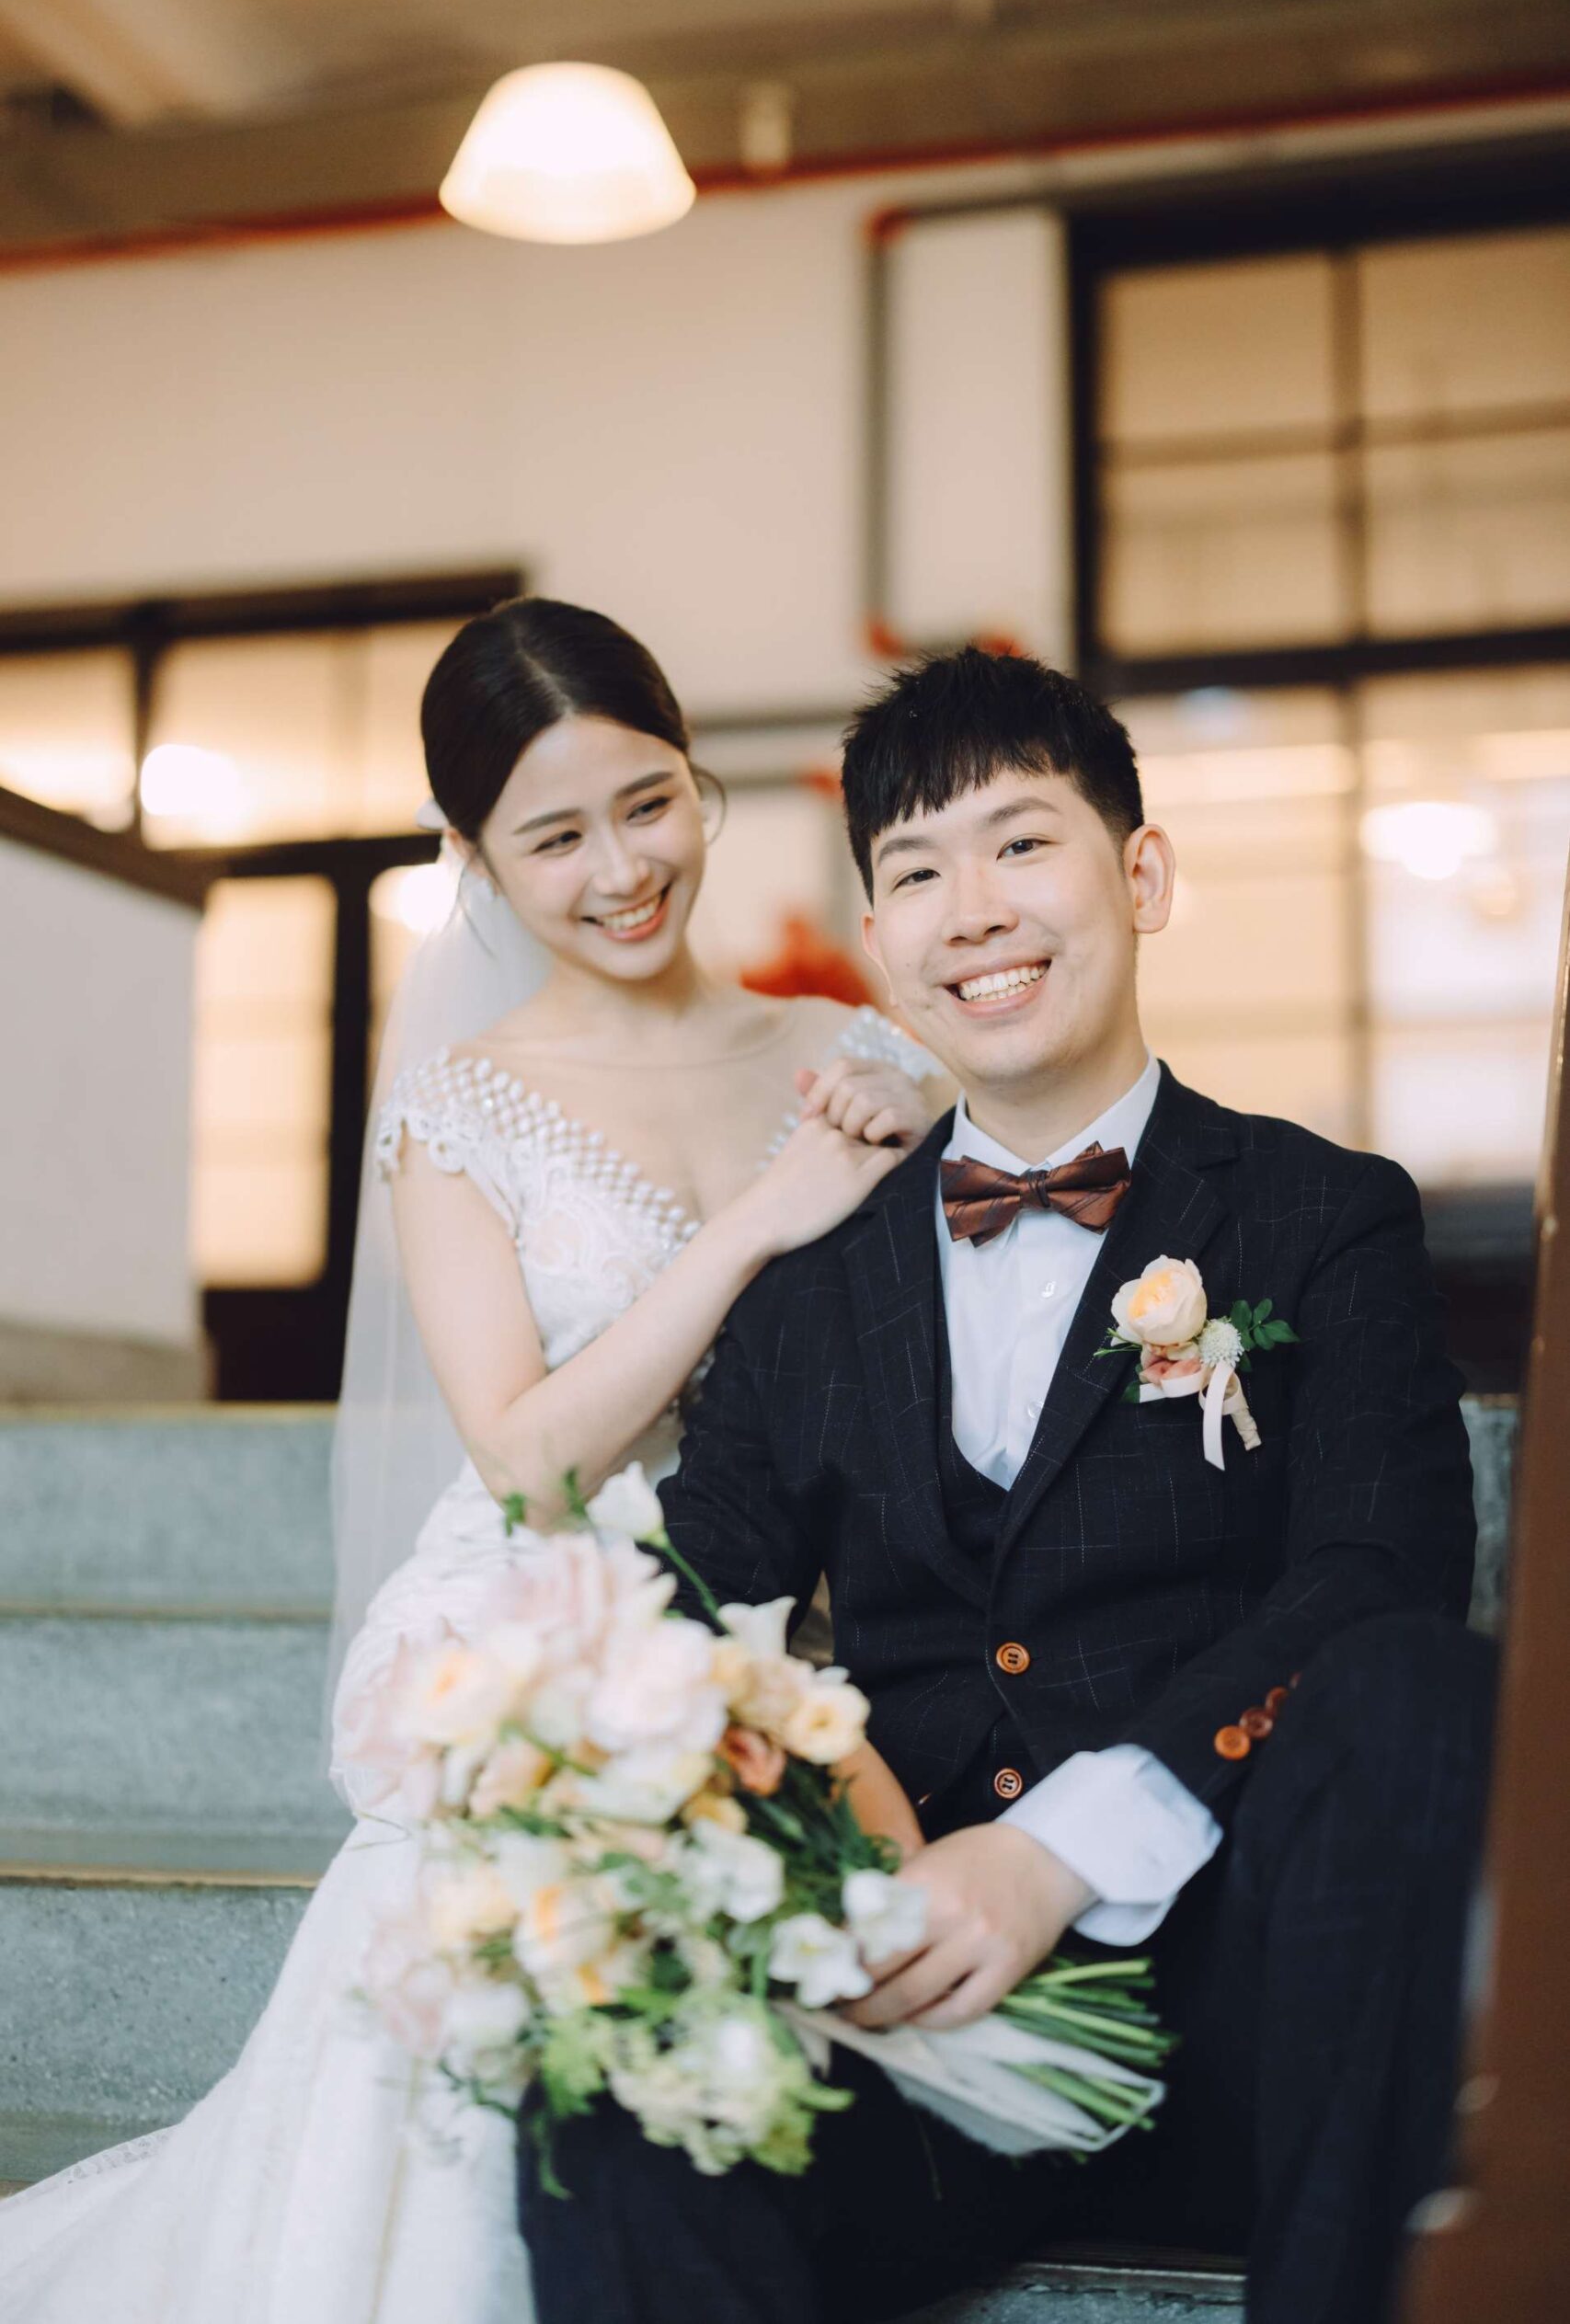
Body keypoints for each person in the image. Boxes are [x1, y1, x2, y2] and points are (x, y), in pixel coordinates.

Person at [517, 647, 1497, 2324]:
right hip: (919, 2028)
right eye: (915, 873)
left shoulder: (1322, 1213)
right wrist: (842, 1833)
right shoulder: (812, 1282)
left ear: (1142, 876)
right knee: (611, 2056)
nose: (971, 911)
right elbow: (695, 1596)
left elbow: (1378, 1571)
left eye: (1023, 845)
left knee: (1419, 1684)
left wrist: (1054, 1853)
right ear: (878, 939)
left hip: (1253, 2000)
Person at [0, 597, 945, 2324]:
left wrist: (904, 1170)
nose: (622, 870)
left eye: (649, 803)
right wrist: (760, 1221)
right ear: (478, 860)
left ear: (699, 783)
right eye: (554, 836)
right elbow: (525, 1460)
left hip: (803, 1596)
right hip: (549, 1606)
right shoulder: (459, 1108)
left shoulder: (858, 1059)